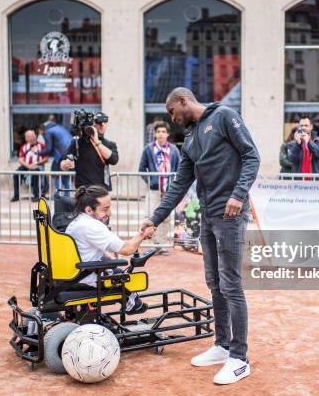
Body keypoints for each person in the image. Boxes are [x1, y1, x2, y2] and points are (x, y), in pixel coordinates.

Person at [140, 87, 260, 385]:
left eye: (172, 112)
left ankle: (239, 358)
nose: (173, 118)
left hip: (230, 214)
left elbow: (251, 156)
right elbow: (179, 186)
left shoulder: (224, 117)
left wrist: (238, 194)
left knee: (231, 283)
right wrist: (154, 219)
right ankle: (222, 346)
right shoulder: (191, 138)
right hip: (208, 216)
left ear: (183, 101)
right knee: (214, 281)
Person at [65, 185, 155, 314]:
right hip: (86, 276)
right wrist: (142, 234)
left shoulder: (79, 221)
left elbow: (95, 248)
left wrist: (110, 259)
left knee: (115, 268)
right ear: (89, 210)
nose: (110, 213)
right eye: (105, 209)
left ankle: (131, 301)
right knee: (122, 275)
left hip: (76, 271)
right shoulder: (92, 226)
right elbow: (127, 249)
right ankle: (133, 303)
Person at [138, 121, 181, 251]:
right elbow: (141, 169)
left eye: (163, 132)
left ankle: (162, 243)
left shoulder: (173, 149)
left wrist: (174, 183)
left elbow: (179, 169)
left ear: (168, 134)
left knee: (166, 217)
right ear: (155, 134)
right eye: (158, 132)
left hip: (169, 190)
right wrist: (151, 181)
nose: (160, 134)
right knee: (152, 215)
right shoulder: (148, 149)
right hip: (154, 189)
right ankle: (155, 243)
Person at [60, 112, 118, 190]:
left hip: (101, 189)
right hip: (83, 190)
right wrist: (65, 164)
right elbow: (63, 163)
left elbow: (114, 160)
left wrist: (97, 142)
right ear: (93, 123)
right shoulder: (78, 142)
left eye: (105, 122)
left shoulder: (109, 144)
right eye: (99, 122)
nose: (102, 125)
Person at [38, 114, 74, 197]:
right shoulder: (58, 127)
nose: (40, 134)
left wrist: (37, 153)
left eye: (39, 132)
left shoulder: (48, 131)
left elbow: (49, 148)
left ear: (41, 130)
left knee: (55, 171)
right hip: (70, 152)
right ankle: (67, 194)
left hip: (62, 153)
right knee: (65, 172)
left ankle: (58, 194)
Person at [11, 130, 48, 202]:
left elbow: (46, 158)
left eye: (31, 136)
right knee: (16, 174)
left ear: (35, 137)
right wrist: (28, 166)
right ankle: (16, 195)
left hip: (38, 165)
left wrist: (36, 163)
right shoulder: (24, 147)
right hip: (26, 165)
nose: (29, 138)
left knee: (35, 174)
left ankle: (36, 195)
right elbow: (21, 160)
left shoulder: (42, 146)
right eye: (27, 136)